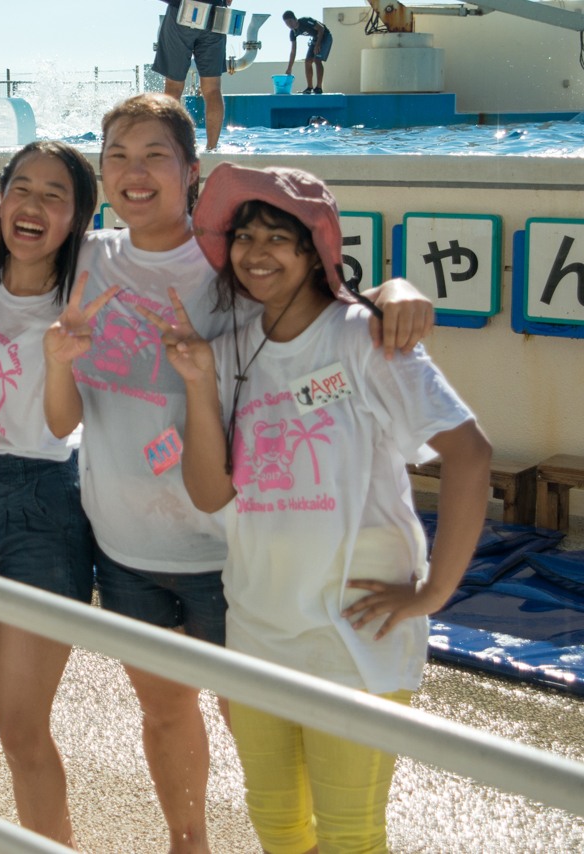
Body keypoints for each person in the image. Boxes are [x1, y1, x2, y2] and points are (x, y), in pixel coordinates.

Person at [41, 93, 434, 854]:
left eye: (156, 154)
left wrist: (396, 290)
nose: (135, 171)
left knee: (259, 723)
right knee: (163, 712)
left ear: (192, 171)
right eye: (118, 155)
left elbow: (322, 303)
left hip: (235, 552)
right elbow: (2, 239)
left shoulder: (226, 262)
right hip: (126, 548)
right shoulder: (86, 260)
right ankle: (189, 843)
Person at [141, 162, 491, 854]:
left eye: (278, 238)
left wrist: (435, 593)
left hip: (351, 637)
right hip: (259, 627)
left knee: (351, 834)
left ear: (315, 251)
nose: (256, 254)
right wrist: (200, 386)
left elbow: (470, 453)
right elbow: (213, 493)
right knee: (275, 822)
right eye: (244, 238)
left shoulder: (363, 337)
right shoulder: (236, 342)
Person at [0, 141, 108, 848]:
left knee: (21, 724)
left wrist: (59, 360)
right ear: (0, 196)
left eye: (54, 195)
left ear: (78, 218)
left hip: (42, 502)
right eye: (22, 189)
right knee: (11, 725)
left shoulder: (82, 289)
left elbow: (63, 423)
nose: (33, 206)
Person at [153, 0, 231, 150]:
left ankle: (175, 148)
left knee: (173, 88)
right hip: (216, 13)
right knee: (213, 89)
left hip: (183, 10)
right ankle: (212, 148)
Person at [284, 11, 332, 94]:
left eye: (290, 21)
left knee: (317, 60)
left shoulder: (305, 21)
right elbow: (293, 51)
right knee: (308, 61)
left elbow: (321, 28)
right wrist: (289, 67)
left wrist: (318, 44)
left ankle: (318, 88)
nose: (289, 24)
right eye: (286, 23)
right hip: (315, 39)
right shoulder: (293, 32)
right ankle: (309, 88)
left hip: (325, 36)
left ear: (295, 20)